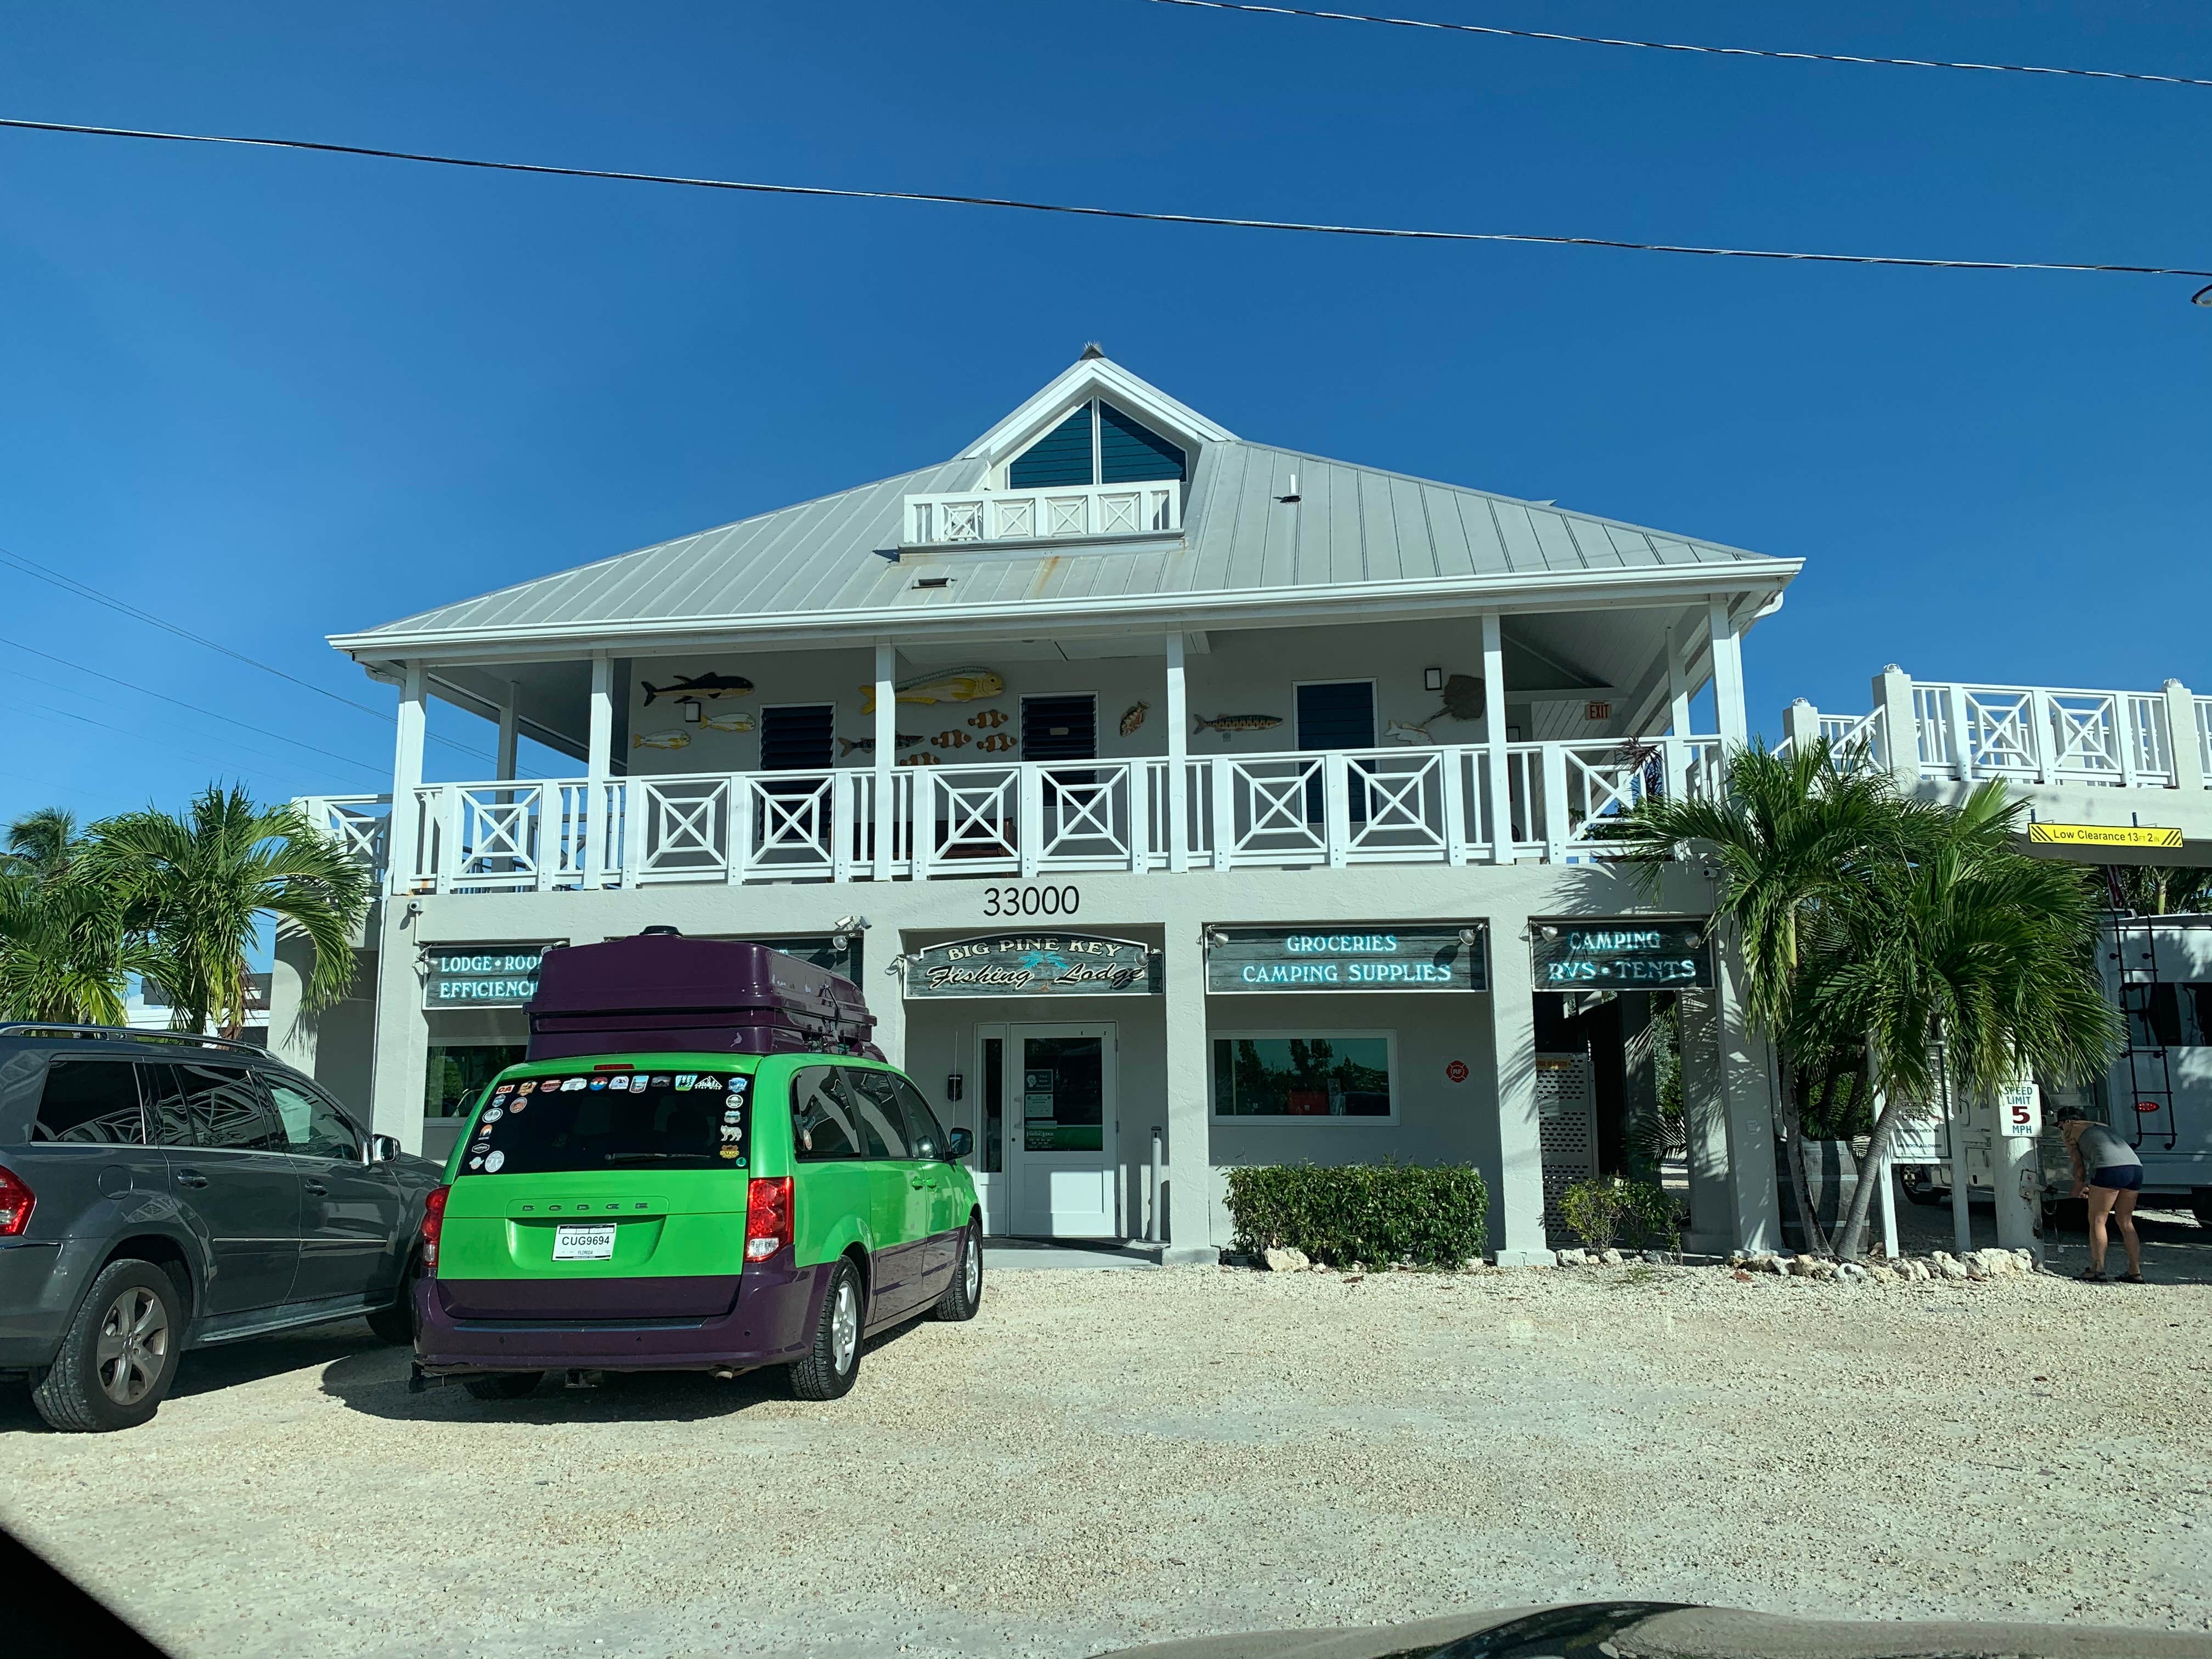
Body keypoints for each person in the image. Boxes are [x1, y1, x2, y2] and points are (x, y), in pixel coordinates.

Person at [2056, 1107, 2144, 1283]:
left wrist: (2078, 1187)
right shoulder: (2103, 1126)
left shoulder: (2071, 1131)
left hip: (2109, 1169)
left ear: (2067, 1121)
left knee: (2097, 1219)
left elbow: (2079, 1166)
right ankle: (2135, 1271)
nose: (2061, 1129)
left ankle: (2098, 1269)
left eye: (2060, 1126)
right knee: (2126, 1221)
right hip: (2135, 1168)